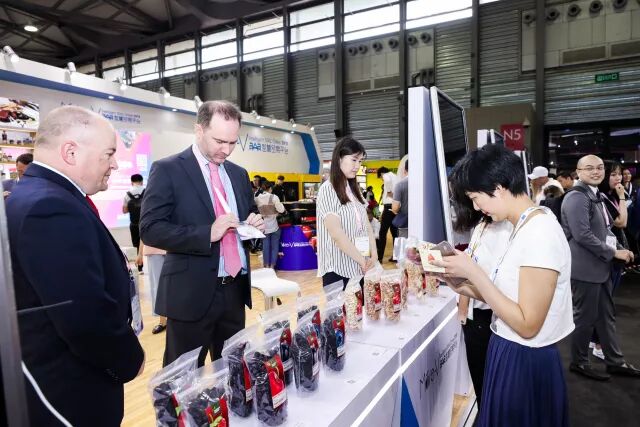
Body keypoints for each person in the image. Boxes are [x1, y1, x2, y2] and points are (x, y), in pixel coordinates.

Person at [5, 106, 144, 426]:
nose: (115, 164)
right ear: (70, 152)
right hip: (69, 393)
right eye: (109, 153)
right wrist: (129, 359)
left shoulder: (41, 195)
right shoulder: (49, 207)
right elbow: (82, 314)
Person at [433, 144, 574, 426]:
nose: (476, 207)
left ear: (497, 189)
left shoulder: (539, 233)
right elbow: (504, 298)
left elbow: (527, 324)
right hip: (507, 347)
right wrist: (457, 283)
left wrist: (474, 272)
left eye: (475, 198)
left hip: (524, 358)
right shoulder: (521, 227)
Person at [140, 100, 264, 366]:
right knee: (183, 378)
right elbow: (150, 229)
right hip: (190, 294)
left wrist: (255, 226)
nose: (226, 150)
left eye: (232, 143)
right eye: (219, 141)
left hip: (235, 290)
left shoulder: (238, 174)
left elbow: (246, 219)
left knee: (233, 371)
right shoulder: (168, 170)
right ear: (199, 130)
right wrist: (207, 233)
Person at [561, 154, 640, 381]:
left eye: (599, 167)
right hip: (585, 270)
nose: (596, 171)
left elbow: (604, 229)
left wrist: (619, 249)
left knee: (606, 318)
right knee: (584, 319)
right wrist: (614, 253)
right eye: (589, 168)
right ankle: (579, 362)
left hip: (600, 268)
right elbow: (582, 235)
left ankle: (615, 361)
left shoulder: (595, 195)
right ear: (578, 172)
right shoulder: (577, 197)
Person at [449, 160, 513, 412]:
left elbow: (491, 280)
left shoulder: (511, 229)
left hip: (493, 319)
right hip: (477, 316)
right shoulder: (483, 226)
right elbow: (473, 265)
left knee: (493, 390)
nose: (473, 206)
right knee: (482, 385)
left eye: (474, 198)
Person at [316, 136, 377, 288]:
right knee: (343, 305)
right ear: (339, 159)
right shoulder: (328, 189)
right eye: (354, 160)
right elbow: (337, 235)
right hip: (338, 268)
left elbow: (366, 226)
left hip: (360, 266)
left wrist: (374, 255)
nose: (357, 166)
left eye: (360, 161)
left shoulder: (354, 190)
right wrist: (362, 261)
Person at [138, 240, 167, 334]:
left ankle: (176, 319)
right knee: (157, 286)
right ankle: (162, 321)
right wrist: (140, 253)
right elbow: (142, 233)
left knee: (174, 285)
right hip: (154, 249)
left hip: (173, 247)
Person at [256, 181, 285, 269]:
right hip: (274, 226)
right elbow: (281, 210)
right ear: (270, 188)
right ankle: (272, 266)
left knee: (265, 247)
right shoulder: (274, 197)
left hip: (263, 227)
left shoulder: (257, 198)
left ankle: (266, 266)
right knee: (274, 247)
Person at [123, 173, 145, 272]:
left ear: (132, 182)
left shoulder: (127, 194)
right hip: (145, 223)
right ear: (142, 182)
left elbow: (124, 210)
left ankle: (140, 267)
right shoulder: (147, 192)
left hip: (134, 224)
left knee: (136, 244)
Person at [377, 166, 398, 262]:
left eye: (380, 177)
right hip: (395, 207)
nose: (382, 179)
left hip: (388, 207)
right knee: (395, 233)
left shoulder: (386, 175)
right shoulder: (396, 176)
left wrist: (389, 191)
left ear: (382, 173)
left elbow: (387, 180)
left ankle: (379, 258)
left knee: (382, 233)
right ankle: (395, 257)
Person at [391, 160, 409, 235]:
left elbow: (395, 208)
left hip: (405, 224)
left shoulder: (400, 185)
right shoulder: (425, 182)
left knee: (406, 242)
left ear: (405, 170)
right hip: (423, 223)